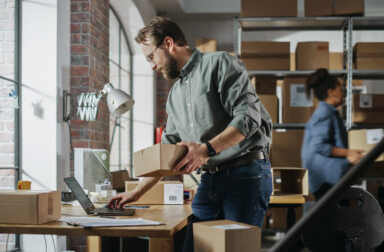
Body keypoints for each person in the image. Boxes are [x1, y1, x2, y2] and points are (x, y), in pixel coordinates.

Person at [107, 16, 273, 251]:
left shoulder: (221, 64)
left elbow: (248, 119)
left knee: (237, 248)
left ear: (168, 43)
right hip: (211, 179)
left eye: (151, 57)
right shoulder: (175, 95)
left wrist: (206, 150)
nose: (152, 66)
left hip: (246, 174)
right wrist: (136, 193)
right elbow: (166, 152)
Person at [301, 68, 364, 200]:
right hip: (326, 182)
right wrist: (348, 153)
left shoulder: (330, 113)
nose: (344, 93)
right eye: (340, 89)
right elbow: (319, 146)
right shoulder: (324, 114)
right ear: (331, 93)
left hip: (331, 181)